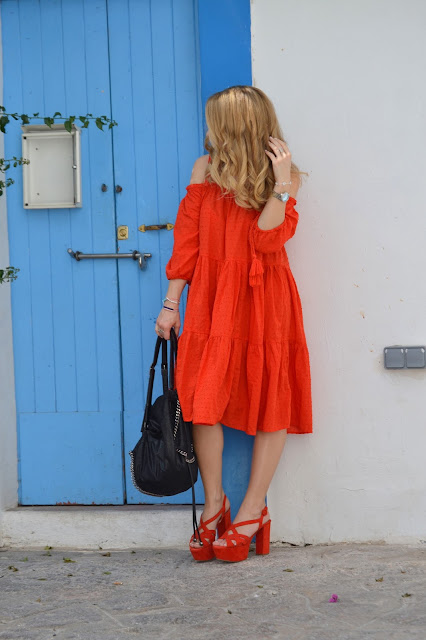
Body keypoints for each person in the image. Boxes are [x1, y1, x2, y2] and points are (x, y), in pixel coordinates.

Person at [155, 85, 312, 563]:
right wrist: (171, 303)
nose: (209, 130)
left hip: (264, 299)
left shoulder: (284, 175)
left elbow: (266, 240)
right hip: (213, 299)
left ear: (233, 125)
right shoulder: (204, 170)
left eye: (215, 120)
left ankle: (251, 510)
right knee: (203, 403)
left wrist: (281, 182)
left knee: (270, 402)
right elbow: (188, 241)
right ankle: (214, 504)